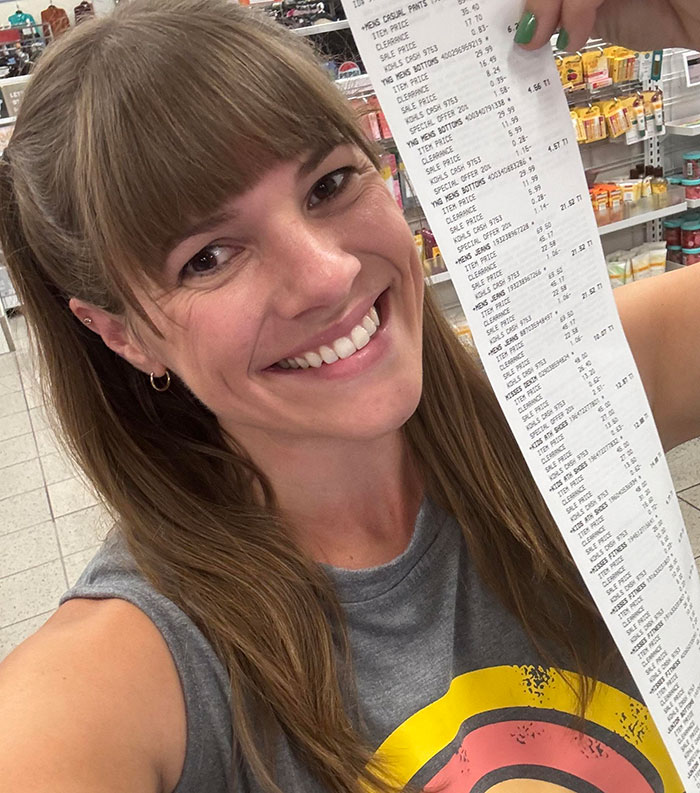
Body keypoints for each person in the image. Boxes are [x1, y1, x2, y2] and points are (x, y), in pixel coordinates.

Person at [0, 1, 697, 791]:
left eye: (330, 182)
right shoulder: (137, 669)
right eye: (209, 257)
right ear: (121, 332)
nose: (327, 274)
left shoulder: (560, 395)